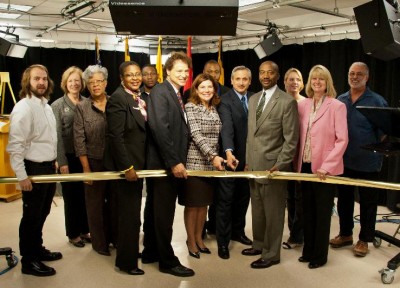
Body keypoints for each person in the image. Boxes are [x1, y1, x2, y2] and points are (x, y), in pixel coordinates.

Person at [7, 64, 62, 277]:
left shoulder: (45, 106)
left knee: (42, 212)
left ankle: (37, 250)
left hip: (47, 167)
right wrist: (22, 176)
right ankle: (29, 261)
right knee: (31, 217)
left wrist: (54, 160)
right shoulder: (23, 107)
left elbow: (47, 138)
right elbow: (15, 145)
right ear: (27, 82)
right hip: (33, 169)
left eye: (44, 79)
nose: (41, 82)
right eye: (36, 79)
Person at [243, 60, 299, 269]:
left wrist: (281, 164)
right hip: (254, 167)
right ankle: (259, 244)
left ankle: (272, 253)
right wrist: (248, 161)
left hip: (273, 168)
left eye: (270, 73)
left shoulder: (286, 101)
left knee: (273, 212)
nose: (265, 76)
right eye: (262, 72)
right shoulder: (254, 98)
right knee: (257, 209)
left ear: (277, 75)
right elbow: (251, 135)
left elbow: (291, 139)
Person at [144, 51, 195, 277]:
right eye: (179, 70)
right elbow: (159, 128)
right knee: (163, 215)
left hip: (166, 163)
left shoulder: (175, 93)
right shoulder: (160, 92)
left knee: (156, 212)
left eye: (186, 71)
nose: (184, 74)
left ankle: (151, 252)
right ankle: (167, 261)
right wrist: (174, 162)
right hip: (164, 165)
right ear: (168, 71)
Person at [330, 62, 388, 257]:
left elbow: (383, 133)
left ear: (367, 77)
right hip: (344, 160)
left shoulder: (377, 101)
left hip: (368, 162)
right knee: (344, 200)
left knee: (368, 202)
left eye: (359, 74)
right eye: (351, 73)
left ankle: (364, 239)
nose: (355, 77)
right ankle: (346, 234)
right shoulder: (340, 100)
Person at [296, 64, 348, 269]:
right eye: (314, 79)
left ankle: (320, 255)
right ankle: (308, 250)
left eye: (321, 79)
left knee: (322, 213)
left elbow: (342, 140)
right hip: (305, 166)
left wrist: (327, 166)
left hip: (324, 170)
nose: (317, 82)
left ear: (328, 83)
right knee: (306, 211)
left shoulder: (337, 106)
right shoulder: (303, 105)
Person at [103, 61, 146, 275]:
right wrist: (127, 166)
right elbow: (116, 137)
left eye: (138, 74)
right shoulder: (118, 99)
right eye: (130, 75)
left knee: (133, 214)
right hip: (127, 167)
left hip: (139, 165)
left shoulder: (138, 97)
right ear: (122, 78)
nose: (135, 78)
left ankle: (129, 251)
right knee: (129, 216)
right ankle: (126, 263)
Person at [179, 73, 224, 259]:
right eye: (202, 87)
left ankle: (199, 238)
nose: (207, 90)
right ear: (196, 89)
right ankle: (190, 241)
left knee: (203, 205)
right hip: (195, 162)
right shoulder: (191, 107)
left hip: (211, 166)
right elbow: (196, 134)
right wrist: (213, 156)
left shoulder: (214, 108)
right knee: (192, 205)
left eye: (210, 87)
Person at [74, 65, 116, 256]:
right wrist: (86, 169)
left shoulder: (116, 102)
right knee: (95, 206)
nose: (95, 85)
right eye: (91, 83)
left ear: (105, 83)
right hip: (93, 162)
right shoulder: (81, 108)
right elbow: (79, 140)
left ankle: (115, 238)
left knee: (115, 204)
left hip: (115, 162)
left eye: (98, 81)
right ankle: (100, 244)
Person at [216, 66, 254, 260]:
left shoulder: (255, 98)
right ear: (231, 80)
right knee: (226, 200)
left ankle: (238, 231)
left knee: (243, 198)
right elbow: (227, 129)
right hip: (230, 159)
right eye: (237, 79)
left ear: (250, 81)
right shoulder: (225, 101)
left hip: (250, 160)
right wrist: (229, 152)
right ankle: (223, 241)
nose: (241, 82)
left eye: (245, 79)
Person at [51, 66, 90, 248]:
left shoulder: (87, 102)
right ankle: (73, 233)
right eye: (71, 80)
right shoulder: (57, 105)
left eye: (77, 80)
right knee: (71, 197)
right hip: (68, 157)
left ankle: (84, 229)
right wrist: (62, 161)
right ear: (65, 83)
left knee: (84, 196)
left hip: (85, 157)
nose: (74, 83)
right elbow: (56, 135)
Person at [282, 68, 305, 250]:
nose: (294, 82)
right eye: (290, 79)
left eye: (297, 79)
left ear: (302, 83)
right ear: (285, 82)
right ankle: (294, 232)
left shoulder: (307, 104)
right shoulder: (280, 102)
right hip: (284, 157)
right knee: (290, 196)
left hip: (302, 157)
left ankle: (297, 234)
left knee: (299, 197)